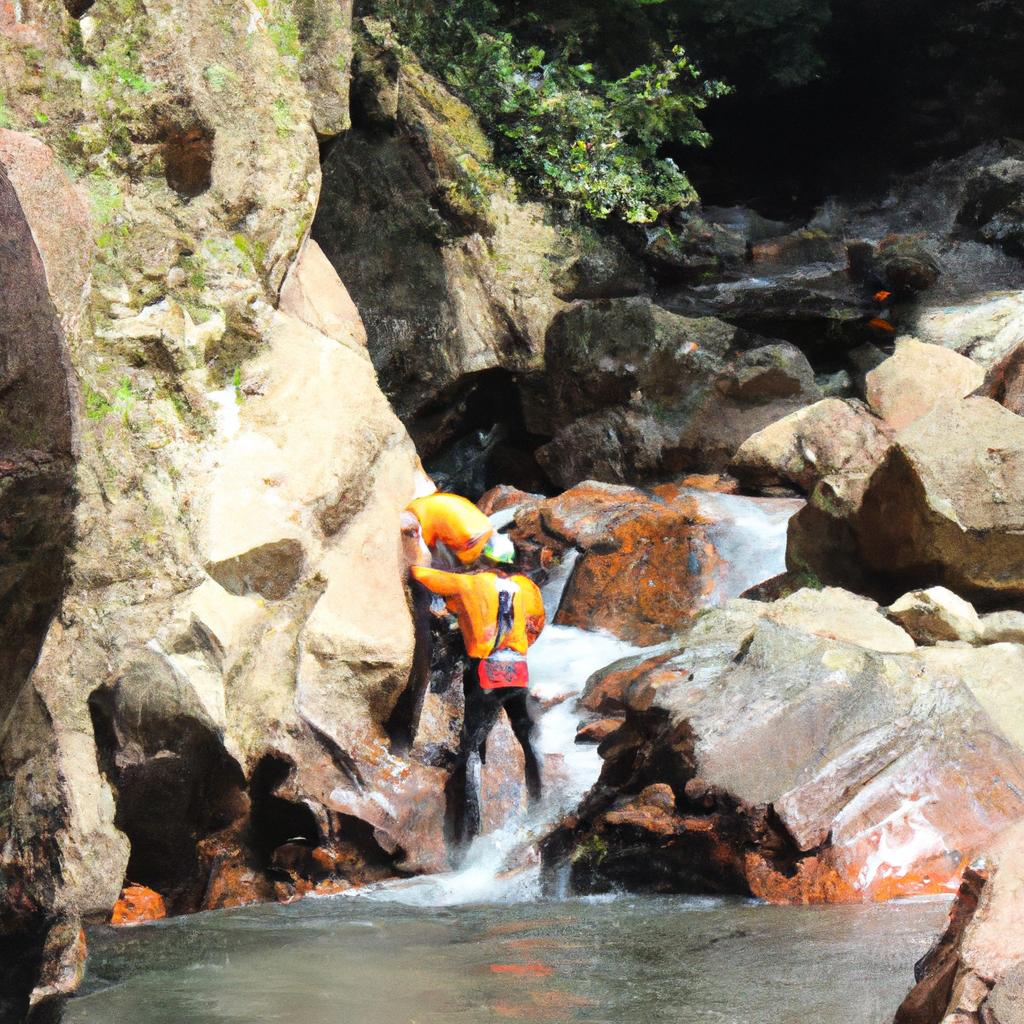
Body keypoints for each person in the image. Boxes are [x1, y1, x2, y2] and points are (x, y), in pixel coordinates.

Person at [410, 565, 545, 854]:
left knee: (469, 747)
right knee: (526, 735)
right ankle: (540, 802)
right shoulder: (523, 589)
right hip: (518, 669)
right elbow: (537, 621)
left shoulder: (469, 584)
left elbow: (422, 575)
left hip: (488, 671)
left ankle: (468, 832)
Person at [388, 490, 515, 752]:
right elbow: (455, 578)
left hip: (428, 507)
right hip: (421, 520)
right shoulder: (471, 548)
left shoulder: (482, 530)